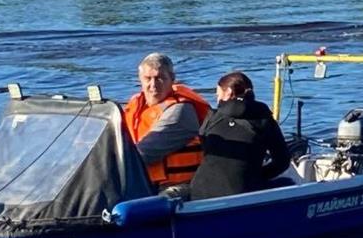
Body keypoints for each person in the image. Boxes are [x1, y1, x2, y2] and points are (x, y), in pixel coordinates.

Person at [189, 71, 291, 201]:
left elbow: (205, 149)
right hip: (241, 194)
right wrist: (256, 175)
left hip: (200, 193)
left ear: (229, 92)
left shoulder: (212, 117)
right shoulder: (264, 119)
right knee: (288, 183)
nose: (217, 100)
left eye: (218, 95)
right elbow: (282, 161)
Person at [123, 52, 211, 189]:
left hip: (179, 186)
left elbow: (144, 153)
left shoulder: (180, 111)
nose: (153, 85)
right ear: (140, 79)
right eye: (148, 78)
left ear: (172, 79)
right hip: (143, 181)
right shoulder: (134, 107)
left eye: (160, 78)